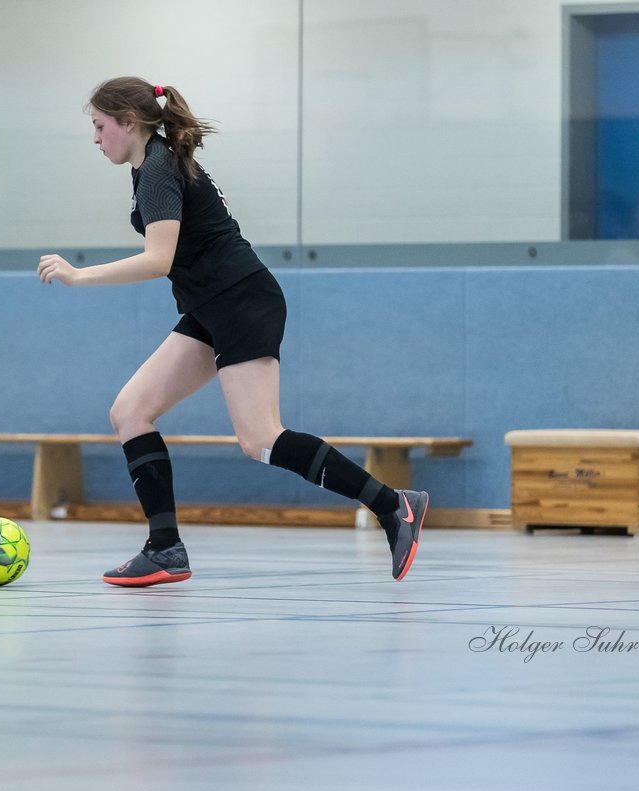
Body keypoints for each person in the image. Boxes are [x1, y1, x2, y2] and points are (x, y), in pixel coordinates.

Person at [38, 77, 428, 587]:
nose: (95, 139)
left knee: (261, 438)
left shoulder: (157, 168)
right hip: (212, 306)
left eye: (99, 126)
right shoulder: (151, 164)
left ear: (128, 123)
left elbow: (160, 260)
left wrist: (79, 274)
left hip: (241, 302)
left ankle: (392, 505)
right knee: (130, 411)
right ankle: (165, 549)